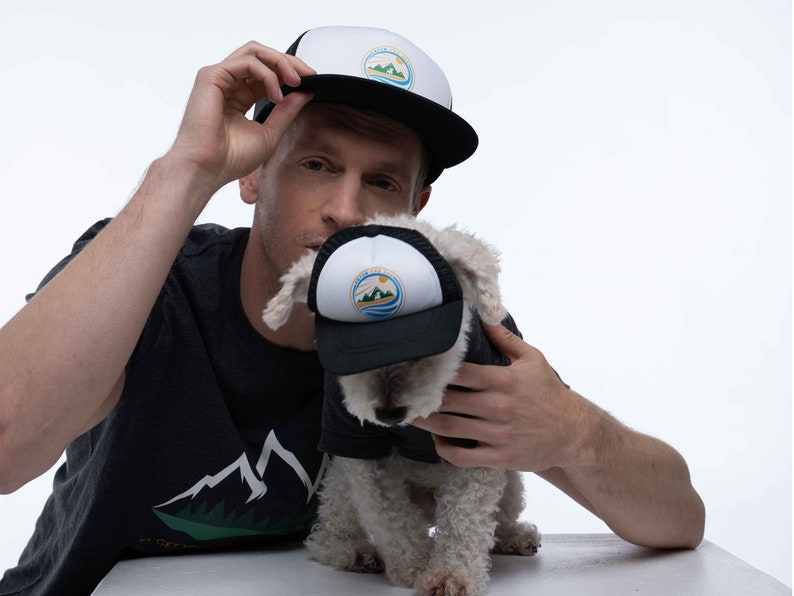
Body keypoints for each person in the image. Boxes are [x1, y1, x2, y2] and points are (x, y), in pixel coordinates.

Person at [0, 25, 705, 595]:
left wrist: (573, 432)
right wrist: (186, 173)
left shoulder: (442, 316)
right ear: (253, 174)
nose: (345, 210)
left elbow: (679, 519)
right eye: (316, 165)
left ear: (415, 209)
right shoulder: (147, 275)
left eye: (382, 180)